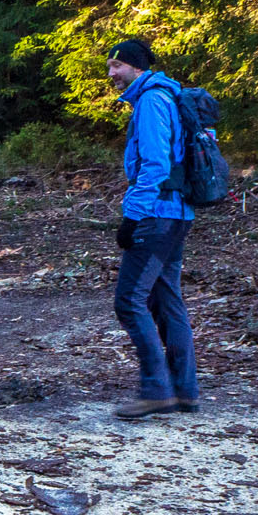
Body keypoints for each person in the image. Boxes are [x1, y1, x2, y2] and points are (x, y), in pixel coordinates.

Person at [106, 38, 198, 419]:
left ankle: (157, 390)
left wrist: (132, 216)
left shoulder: (151, 101)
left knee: (129, 301)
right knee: (165, 300)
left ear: (136, 67)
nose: (111, 73)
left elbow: (156, 165)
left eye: (117, 65)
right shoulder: (163, 96)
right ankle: (184, 392)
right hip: (175, 213)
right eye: (110, 66)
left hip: (158, 214)